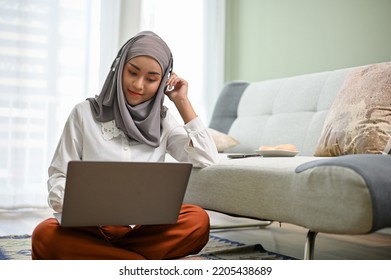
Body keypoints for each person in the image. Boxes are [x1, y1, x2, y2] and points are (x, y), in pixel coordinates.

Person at [31, 31, 219, 260]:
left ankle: (110, 261)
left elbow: (207, 158)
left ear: (162, 82)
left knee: (197, 220)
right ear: (119, 68)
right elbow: (59, 175)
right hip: (92, 228)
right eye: (132, 72)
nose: (138, 85)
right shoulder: (84, 113)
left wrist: (182, 101)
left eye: (151, 79)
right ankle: (136, 263)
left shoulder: (164, 120)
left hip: (144, 228)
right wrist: (76, 202)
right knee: (44, 235)